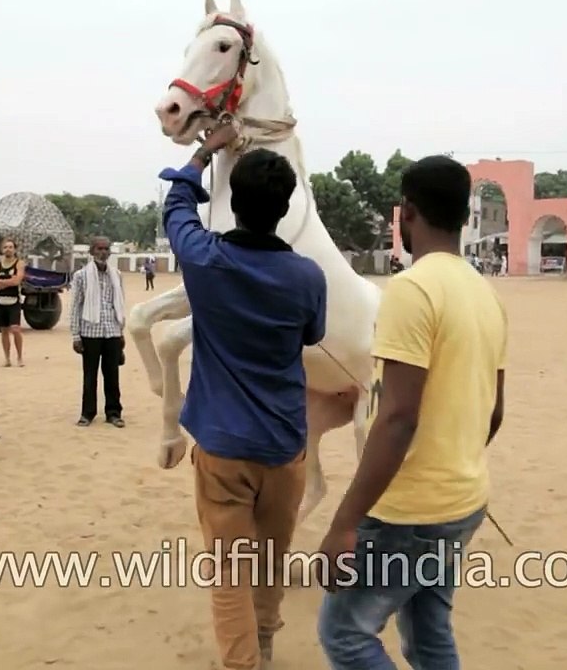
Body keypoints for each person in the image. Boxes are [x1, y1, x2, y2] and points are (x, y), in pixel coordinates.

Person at [315, 155, 507, 670]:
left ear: (407, 213)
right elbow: (493, 412)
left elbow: (398, 416)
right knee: (427, 631)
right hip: (464, 501)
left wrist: (344, 523)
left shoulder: (411, 289)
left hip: (409, 513)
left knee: (344, 633)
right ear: (465, 216)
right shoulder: (486, 294)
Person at [158, 123, 327, 670]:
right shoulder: (306, 276)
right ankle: (266, 638)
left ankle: (242, 661)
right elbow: (313, 336)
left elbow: (176, 205)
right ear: (284, 207)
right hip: (283, 446)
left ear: (232, 202)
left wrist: (203, 152)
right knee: (271, 561)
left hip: (224, 449)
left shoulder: (206, 261)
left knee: (229, 572)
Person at [70, 237, 127, 427]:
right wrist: (76, 336)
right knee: (90, 375)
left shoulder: (116, 275)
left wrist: (121, 333)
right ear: (92, 251)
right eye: (99, 248)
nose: (103, 252)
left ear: (110, 252)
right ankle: (88, 413)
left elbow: (119, 305)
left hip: (112, 331)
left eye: (106, 249)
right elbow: (75, 306)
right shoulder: (81, 276)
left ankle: (113, 413)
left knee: (112, 375)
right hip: (89, 331)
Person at [0, 239, 26, 367]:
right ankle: (7, 358)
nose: (8, 249)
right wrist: (8, 281)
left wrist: (1, 282)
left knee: (16, 329)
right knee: (4, 331)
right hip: (1, 301)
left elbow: (17, 281)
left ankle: (20, 357)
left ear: (15, 249)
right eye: (5, 247)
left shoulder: (19, 263)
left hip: (14, 301)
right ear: (2, 250)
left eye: (11, 247)